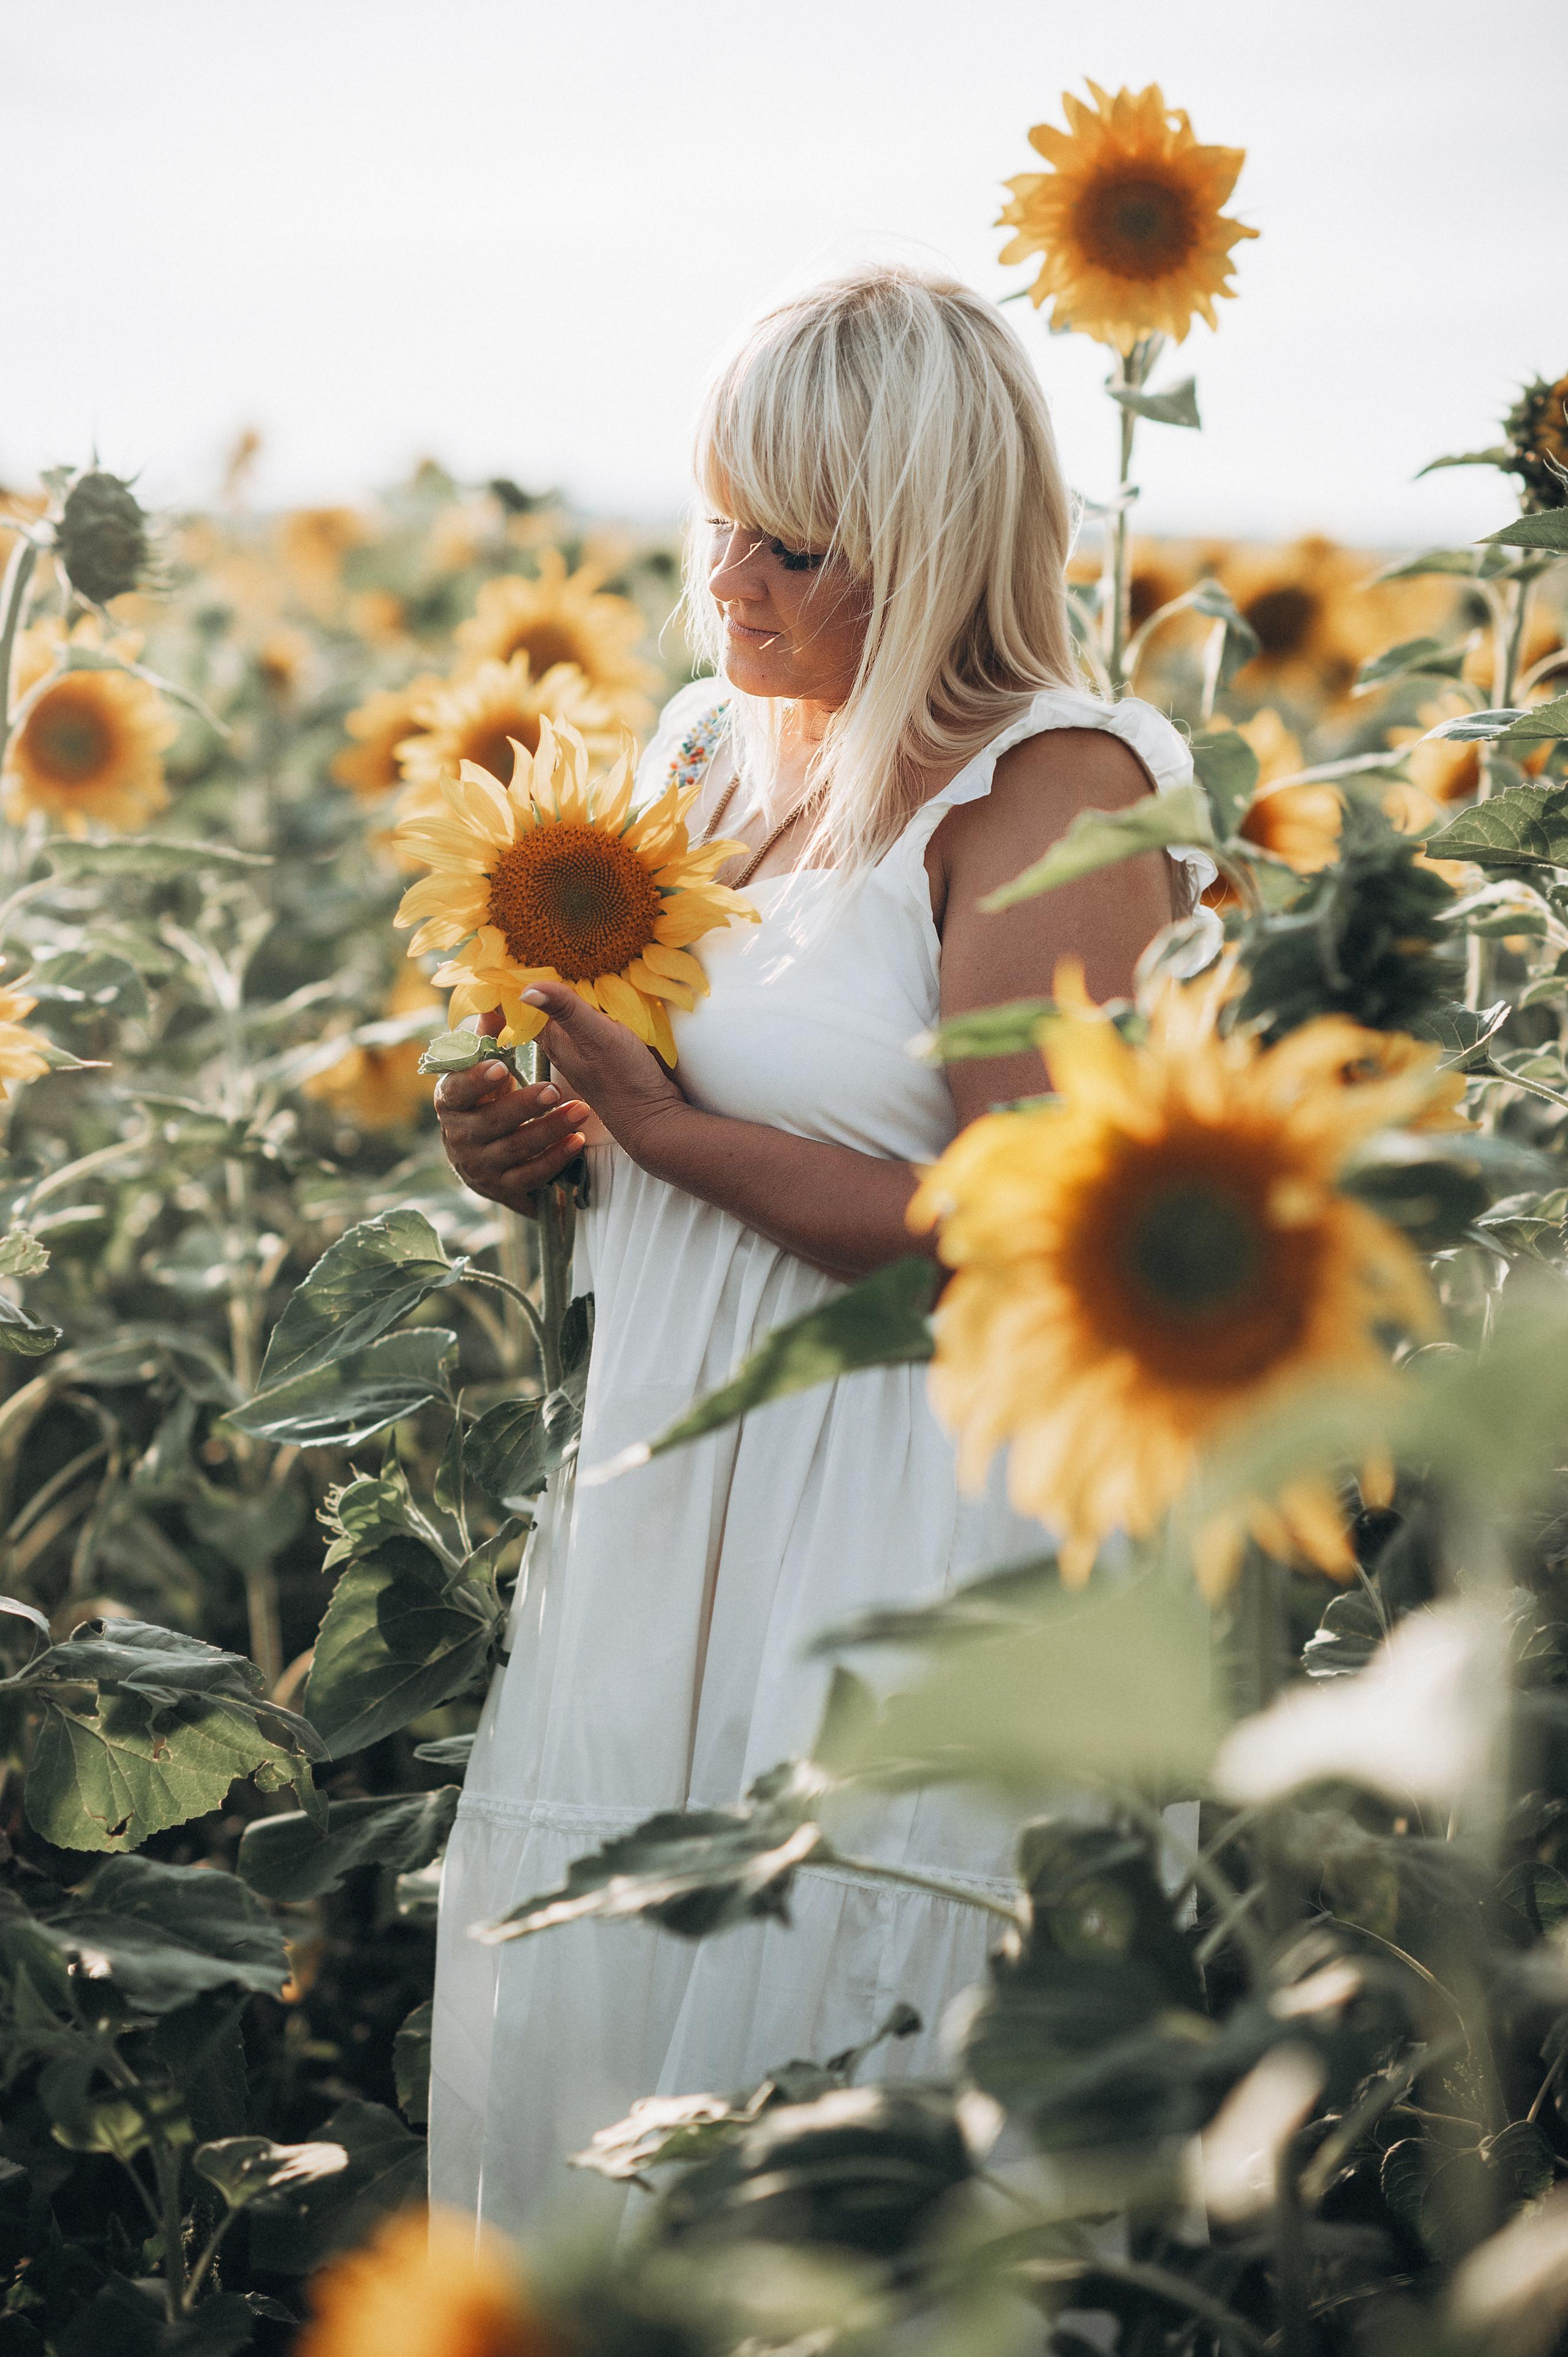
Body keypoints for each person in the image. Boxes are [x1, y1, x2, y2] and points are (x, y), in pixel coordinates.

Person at [428, 262, 1204, 2234]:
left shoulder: (1052, 787)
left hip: (901, 1517)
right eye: (718, 520)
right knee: (631, 2056)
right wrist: (550, 1147)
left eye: (796, 542)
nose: (733, 581)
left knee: (857, 2107)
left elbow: (1034, 1230)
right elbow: (666, 1129)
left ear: (935, 543)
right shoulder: (708, 747)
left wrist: (679, 1136)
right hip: (679, 1484)